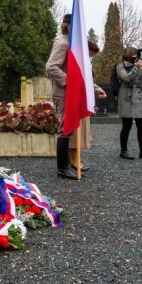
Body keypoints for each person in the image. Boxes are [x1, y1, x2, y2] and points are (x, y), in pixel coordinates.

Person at [45, 14, 106, 179]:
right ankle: (62, 168)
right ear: (70, 27)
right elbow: (51, 67)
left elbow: (80, 76)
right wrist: (69, 82)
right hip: (63, 94)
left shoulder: (72, 45)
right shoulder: (63, 44)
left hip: (70, 93)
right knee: (65, 128)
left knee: (69, 128)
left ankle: (67, 166)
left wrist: (96, 88)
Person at [116, 47, 142, 160]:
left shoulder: (137, 65)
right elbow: (126, 78)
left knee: (141, 124)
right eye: (134, 54)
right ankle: (123, 151)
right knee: (127, 125)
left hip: (138, 95)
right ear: (128, 54)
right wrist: (136, 67)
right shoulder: (120, 66)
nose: (136, 57)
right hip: (126, 96)